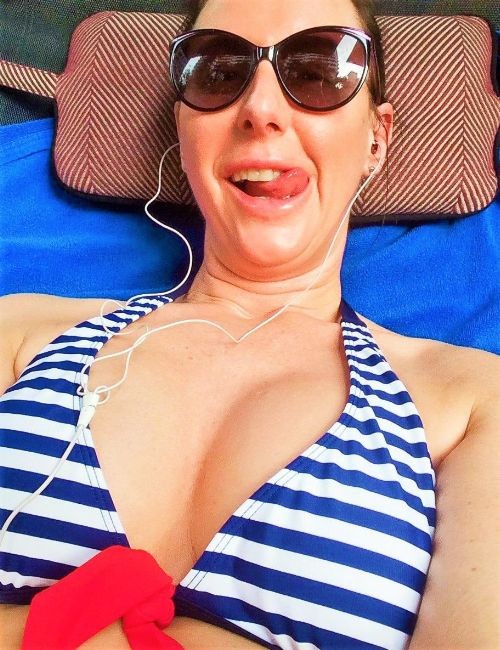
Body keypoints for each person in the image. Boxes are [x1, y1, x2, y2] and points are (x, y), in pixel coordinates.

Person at [0, 0, 498, 648]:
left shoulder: (473, 402)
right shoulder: (19, 332)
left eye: (318, 71)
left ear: (376, 139)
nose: (260, 108)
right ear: (184, 134)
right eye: (219, 73)